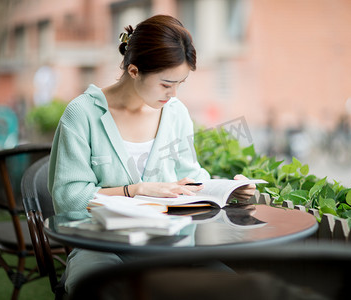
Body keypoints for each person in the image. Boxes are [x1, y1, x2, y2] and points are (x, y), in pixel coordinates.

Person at [48, 14, 256, 294]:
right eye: (166, 84)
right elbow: (69, 199)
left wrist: (229, 190)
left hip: (170, 246)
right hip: (101, 247)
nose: (173, 94)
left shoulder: (175, 113)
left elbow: (190, 179)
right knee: (102, 290)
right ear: (133, 71)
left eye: (180, 84)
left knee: (237, 288)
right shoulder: (82, 114)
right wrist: (135, 190)